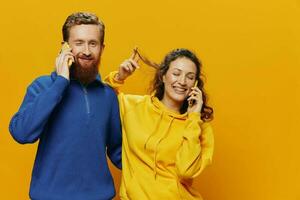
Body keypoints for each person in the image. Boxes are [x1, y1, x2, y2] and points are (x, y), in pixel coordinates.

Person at [9, 12, 122, 200]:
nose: (86, 51)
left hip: (99, 196)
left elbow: (118, 151)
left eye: (93, 43)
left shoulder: (108, 95)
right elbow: (22, 133)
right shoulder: (43, 86)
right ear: (65, 47)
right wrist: (61, 81)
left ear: (102, 48)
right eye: (79, 43)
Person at [104, 48, 214, 200]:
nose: (182, 82)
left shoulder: (199, 127)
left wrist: (194, 116)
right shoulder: (133, 106)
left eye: (190, 77)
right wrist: (118, 77)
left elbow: (186, 171)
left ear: (195, 84)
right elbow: (102, 100)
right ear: (163, 76)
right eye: (176, 73)